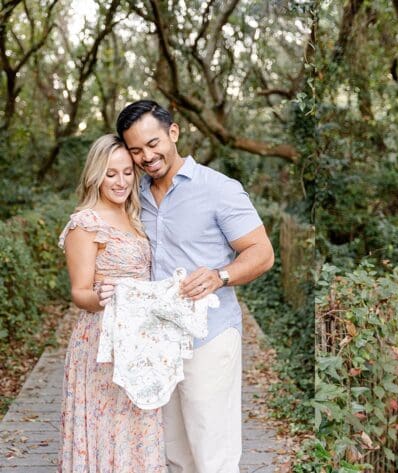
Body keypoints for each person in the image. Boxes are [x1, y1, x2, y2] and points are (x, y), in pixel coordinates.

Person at [109, 100, 274, 472]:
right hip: (156, 340)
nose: (146, 157)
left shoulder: (220, 189)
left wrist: (221, 275)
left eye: (153, 144)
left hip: (209, 338)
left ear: (174, 132)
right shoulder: (135, 196)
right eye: (136, 150)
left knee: (212, 451)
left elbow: (262, 253)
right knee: (174, 452)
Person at [59, 134, 167, 471]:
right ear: (95, 175)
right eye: (110, 173)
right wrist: (101, 298)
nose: (120, 181)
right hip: (102, 344)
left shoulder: (135, 216)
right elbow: (79, 292)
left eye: (126, 172)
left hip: (142, 343)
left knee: (138, 431)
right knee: (108, 429)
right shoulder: (86, 223)